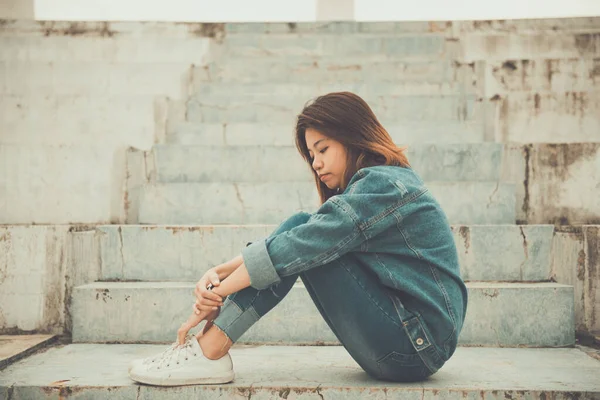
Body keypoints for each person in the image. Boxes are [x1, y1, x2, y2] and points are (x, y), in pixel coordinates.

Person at [128, 92, 468, 386]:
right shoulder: (379, 186)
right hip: (407, 343)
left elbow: (302, 243)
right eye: (311, 156)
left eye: (323, 149)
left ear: (353, 137)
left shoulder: (385, 185)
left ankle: (209, 351)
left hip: (414, 346)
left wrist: (218, 291)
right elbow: (303, 238)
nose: (316, 164)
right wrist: (218, 271)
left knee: (304, 235)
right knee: (304, 231)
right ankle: (208, 349)